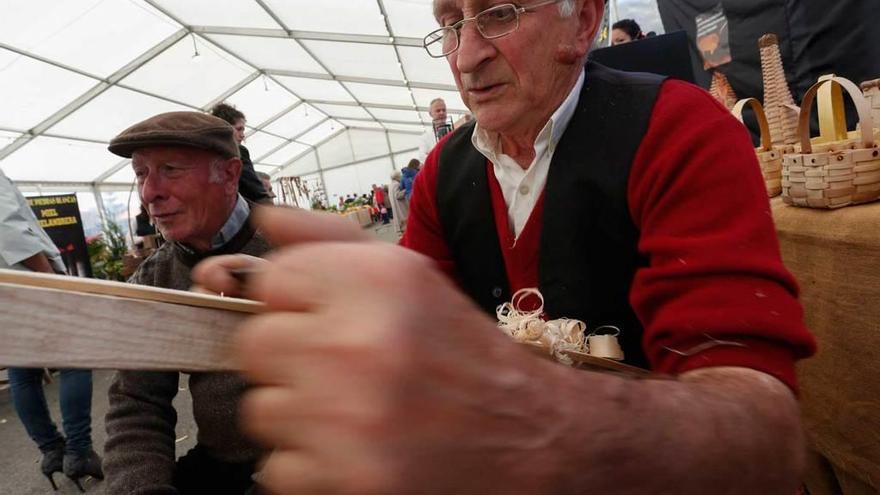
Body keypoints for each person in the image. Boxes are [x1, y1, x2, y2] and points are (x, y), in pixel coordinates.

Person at [193, 0, 816, 493]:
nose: (465, 56)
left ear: (585, 21)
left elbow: (764, 440)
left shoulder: (680, 130)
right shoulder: (443, 171)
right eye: (449, 23)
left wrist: (541, 422)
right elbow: (414, 325)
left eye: (499, 13)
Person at [103, 111, 271, 494]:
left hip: (325, 458)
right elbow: (136, 402)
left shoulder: (300, 252)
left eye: (170, 169)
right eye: (141, 173)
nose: (149, 193)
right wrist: (142, 488)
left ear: (229, 174)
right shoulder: (154, 279)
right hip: (219, 465)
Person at [0, 168, 102, 491]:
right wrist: (50, 279)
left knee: (22, 370)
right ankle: (79, 451)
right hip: (23, 280)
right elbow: (7, 227)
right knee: (74, 357)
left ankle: (51, 451)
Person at [210, 102, 272, 205]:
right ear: (225, 128)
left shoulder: (205, 153)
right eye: (239, 129)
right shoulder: (238, 151)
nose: (243, 135)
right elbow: (254, 189)